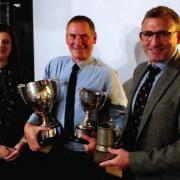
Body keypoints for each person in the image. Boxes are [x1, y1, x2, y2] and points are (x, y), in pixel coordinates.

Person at [24, 15, 127, 179]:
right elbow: (42, 105)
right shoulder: (53, 65)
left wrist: (102, 146)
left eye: (84, 36)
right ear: (66, 39)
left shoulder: (107, 74)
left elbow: (120, 117)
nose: (78, 43)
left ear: (94, 38)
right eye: (73, 36)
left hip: (85, 155)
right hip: (53, 149)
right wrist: (29, 125)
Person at [99, 5, 180, 180]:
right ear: (141, 37)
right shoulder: (140, 70)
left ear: (178, 36)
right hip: (129, 173)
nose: (154, 42)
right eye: (148, 34)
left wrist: (133, 160)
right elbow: (136, 123)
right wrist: (103, 145)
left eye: (164, 34)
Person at [0, 24, 34, 178]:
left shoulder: (23, 74)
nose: (1, 45)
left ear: (12, 45)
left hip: (19, 152)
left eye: (5, 41)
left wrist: (22, 143)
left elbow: (32, 114)